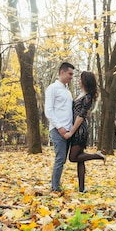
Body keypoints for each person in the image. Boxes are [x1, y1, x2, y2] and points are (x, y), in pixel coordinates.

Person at [64, 71, 105, 193]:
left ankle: (97, 156)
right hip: (77, 128)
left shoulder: (88, 97)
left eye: (81, 79)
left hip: (80, 130)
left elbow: (81, 116)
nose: (78, 81)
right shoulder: (81, 94)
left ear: (85, 81)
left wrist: (71, 132)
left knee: (72, 158)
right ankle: (82, 188)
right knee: (80, 159)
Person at [44, 62, 75, 193]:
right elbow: (49, 110)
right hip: (58, 130)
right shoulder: (53, 88)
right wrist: (60, 127)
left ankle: (57, 185)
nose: (71, 77)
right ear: (62, 72)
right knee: (60, 158)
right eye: (70, 74)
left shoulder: (67, 91)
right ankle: (54, 188)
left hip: (69, 130)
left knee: (64, 159)